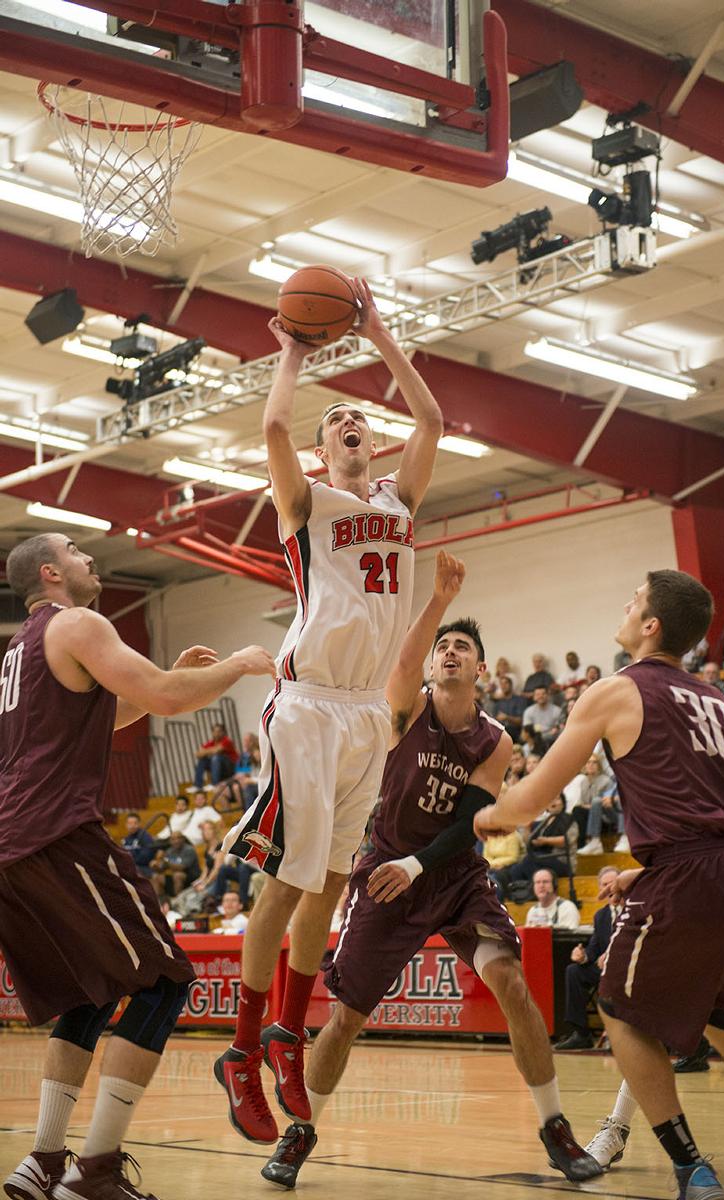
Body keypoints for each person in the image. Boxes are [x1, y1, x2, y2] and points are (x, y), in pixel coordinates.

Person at [261, 552, 601, 1187]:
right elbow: (401, 661)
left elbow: (469, 822)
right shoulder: (405, 707)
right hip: (385, 874)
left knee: (513, 986)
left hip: (452, 874)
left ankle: (555, 1127)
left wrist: (421, 865)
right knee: (347, 1018)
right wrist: (439, 601)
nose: (448, 652)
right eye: (443, 645)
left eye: (462, 647)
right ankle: (299, 1132)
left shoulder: (496, 740)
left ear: (480, 668)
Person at [474, 568, 724, 1200]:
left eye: (633, 602)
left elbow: (536, 796)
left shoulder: (615, 690)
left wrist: (488, 816)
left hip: (694, 874)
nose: (624, 608)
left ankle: (692, 1170)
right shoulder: (718, 701)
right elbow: (722, 809)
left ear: (650, 625)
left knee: (618, 1010)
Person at [215, 277, 443, 1144]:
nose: (351, 422)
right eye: (335, 420)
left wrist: (380, 332)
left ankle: (283, 1033)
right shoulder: (307, 505)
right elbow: (273, 427)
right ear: (321, 451)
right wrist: (295, 355)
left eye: (358, 418)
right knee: (287, 876)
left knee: (333, 883)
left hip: (365, 716)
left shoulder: (397, 501)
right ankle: (240, 1049)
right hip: (307, 703)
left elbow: (431, 424)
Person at [0, 532, 275, 1200]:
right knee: (161, 983)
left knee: (92, 995)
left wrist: (164, 685)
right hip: (58, 836)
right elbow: (168, 696)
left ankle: (42, 1162)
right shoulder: (78, 623)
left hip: (11, 850)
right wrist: (236, 664)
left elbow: (114, 709)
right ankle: (94, 1171)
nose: (90, 558)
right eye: (74, 550)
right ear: (50, 573)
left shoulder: (19, 648)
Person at [586, 678, 724, 1169]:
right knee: (653, 1015)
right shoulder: (706, 784)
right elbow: (695, 857)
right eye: (721, 705)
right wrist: (635, 874)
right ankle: (616, 1129)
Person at [554, 866, 620, 1050]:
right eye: (604, 885)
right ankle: (580, 1033)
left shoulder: (634, 909)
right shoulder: (601, 916)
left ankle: (620, 1033)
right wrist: (583, 956)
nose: (608, 889)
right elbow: (594, 947)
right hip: (604, 969)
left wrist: (612, 954)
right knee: (574, 971)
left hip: (627, 968)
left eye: (612, 884)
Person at [492, 795, 574, 899]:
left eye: (557, 799)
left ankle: (534, 893)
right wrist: (527, 828)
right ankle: (518, 894)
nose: (554, 802)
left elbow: (568, 840)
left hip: (562, 860)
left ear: (563, 802)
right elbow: (528, 843)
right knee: (516, 869)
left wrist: (545, 841)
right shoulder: (541, 823)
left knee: (529, 860)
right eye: (551, 799)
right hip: (541, 859)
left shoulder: (569, 819)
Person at [193, 722, 238, 790]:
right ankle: (198, 785)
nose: (217, 733)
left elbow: (216, 751)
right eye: (215, 731)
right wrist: (210, 750)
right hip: (217, 766)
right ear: (212, 732)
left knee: (216, 758)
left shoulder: (227, 741)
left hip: (231, 767)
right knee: (202, 760)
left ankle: (214, 784)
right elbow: (198, 754)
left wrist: (206, 751)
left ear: (223, 732)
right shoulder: (211, 742)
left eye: (219, 731)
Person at [120, 813, 155, 878]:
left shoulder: (145, 837)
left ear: (139, 824)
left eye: (135, 823)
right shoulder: (125, 840)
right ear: (126, 825)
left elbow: (146, 856)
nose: (132, 826)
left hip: (143, 868)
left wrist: (129, 860)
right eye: (130, 823)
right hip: (129, 868)